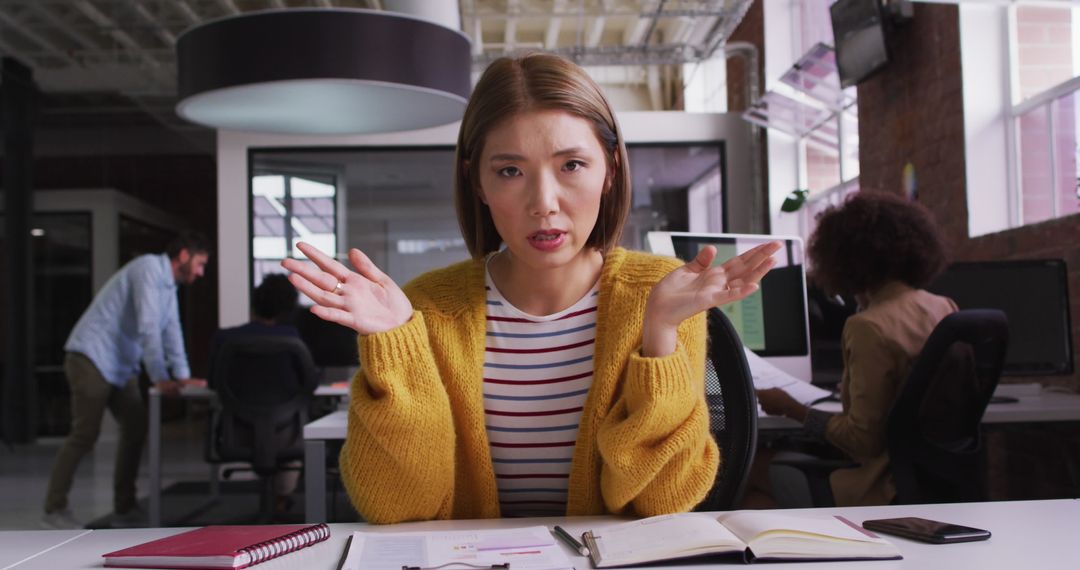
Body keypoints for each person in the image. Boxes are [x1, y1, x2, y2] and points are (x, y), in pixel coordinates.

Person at [284, 53, 780, 523]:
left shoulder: (660, 294)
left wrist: (661, 336)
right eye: (509, 171)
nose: (544, 202)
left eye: (572, 165)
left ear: (610, 168)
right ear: (477, 183)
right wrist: (396, 345)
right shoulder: (427, 308)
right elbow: (396, 509)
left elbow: (659, 505)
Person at [756, 190, 956, 507]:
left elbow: (862, 440)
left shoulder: (868, 326)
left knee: (750, 471)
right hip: (936, 480)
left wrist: (789, 407)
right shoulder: (941, 306)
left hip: (880, 487)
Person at [42, 230, 211, 529]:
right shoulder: (147, 268)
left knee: (136, 427)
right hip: (90, 357)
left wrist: (183, 377)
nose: (200, 273)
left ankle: (125, 507)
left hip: (121, 364)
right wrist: (160, 377)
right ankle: (54, 508)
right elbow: (148, 327)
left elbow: (172, 330)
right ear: (183, 255)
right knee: (85, 434)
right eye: (199, 264)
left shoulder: (169, 286)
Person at [208, 273, 304, 514]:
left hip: (237, 433)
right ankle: (281, 499)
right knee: (297, 420)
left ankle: (275, 501)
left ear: (255, 304)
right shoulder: (294, 340)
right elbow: (308, 385)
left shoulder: (225, 339)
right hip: (286, 434)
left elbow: (212, 382)